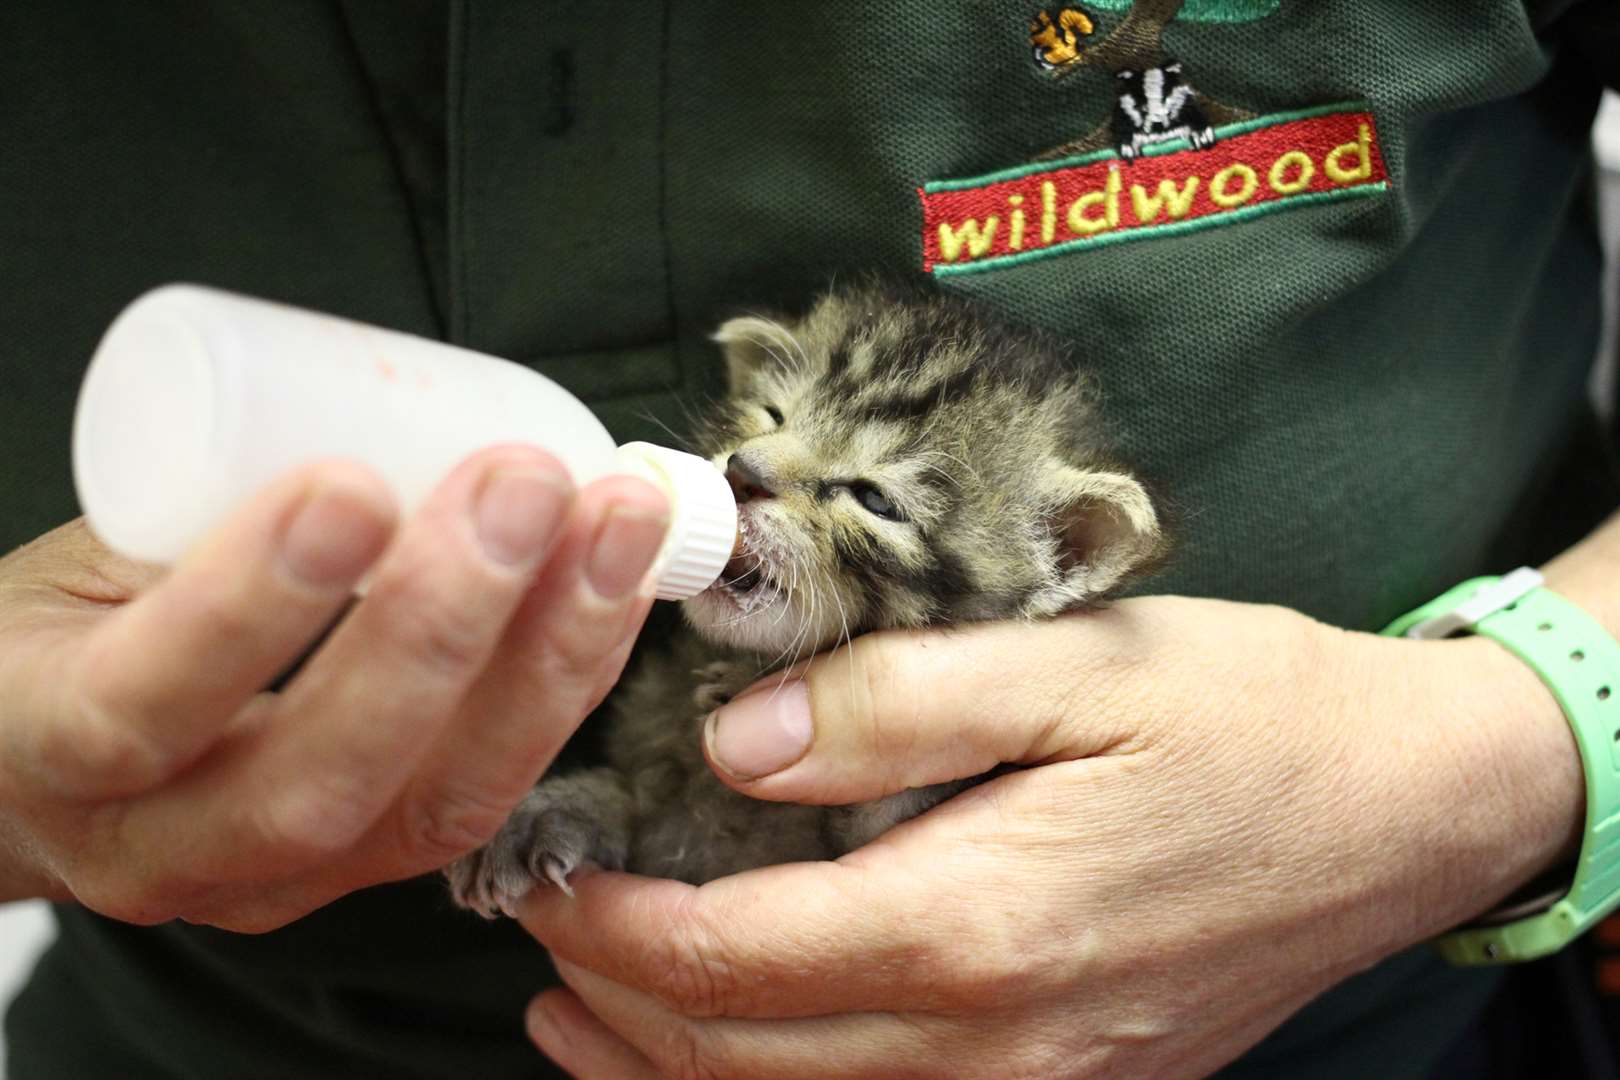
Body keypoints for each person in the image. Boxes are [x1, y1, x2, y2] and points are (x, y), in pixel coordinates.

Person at [2, 2, 1618, 1076]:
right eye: (764, 442)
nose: (762, 479)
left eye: (863, 496)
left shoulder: (1035, 529)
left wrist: (1508, 742)